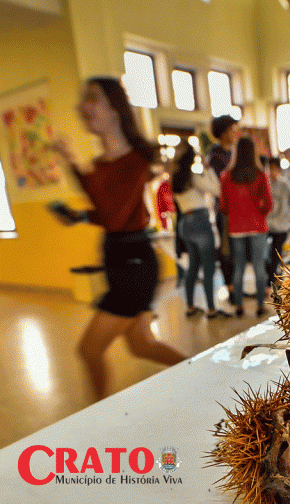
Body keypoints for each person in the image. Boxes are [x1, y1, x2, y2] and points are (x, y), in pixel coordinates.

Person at [49, 76, 186, 400]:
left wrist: (72, 164)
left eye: (93, 99)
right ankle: (202, 372)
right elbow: (110, 213)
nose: (83, 107)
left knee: (88, 350)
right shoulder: (101, 164)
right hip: (119, 258)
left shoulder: (137, 158)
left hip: (133, 265)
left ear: (115, 110)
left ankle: (98, 419)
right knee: (142, 345)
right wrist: (80, 216)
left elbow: (113, 213)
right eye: (84, 99)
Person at [171, 141, 230, 319]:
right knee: (209, 267)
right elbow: (217, 190)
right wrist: (209, 169)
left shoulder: (175, 179)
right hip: (200, 222)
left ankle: (190, 306)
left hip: (184, 224)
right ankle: (211, 309)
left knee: (193, 267)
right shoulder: (193, 177)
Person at [219, 137, 273, 318]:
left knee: (239, 268)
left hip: (236, 228)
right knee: (259, 267)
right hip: (257, 225)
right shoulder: (260, 174)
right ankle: (259, 305)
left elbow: (223, 206)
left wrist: (235, 215)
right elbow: (269, 202)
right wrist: (259, 214)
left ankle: (239, 306)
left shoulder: (226, 176)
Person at [208, 114, 240, 301]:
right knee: (227, 249)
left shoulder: (235, 150)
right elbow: (224, 181)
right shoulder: (216, 155)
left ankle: (237, 284)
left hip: (240, 209)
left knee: (239, 250)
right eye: (230, 130)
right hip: (225, 209)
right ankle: (230, 287)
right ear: (222, 133)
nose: (234, 133)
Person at [265, 156, 290, 287]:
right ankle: (269, 279)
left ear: (279, 170)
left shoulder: (285, 184)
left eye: (275, 169)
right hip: (266, 227)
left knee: (276, 255)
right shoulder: (265, 184)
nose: (272, 172)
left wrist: (289, 219)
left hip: (281, 227)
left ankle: (270, 283)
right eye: (269, 169)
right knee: (265, 256)